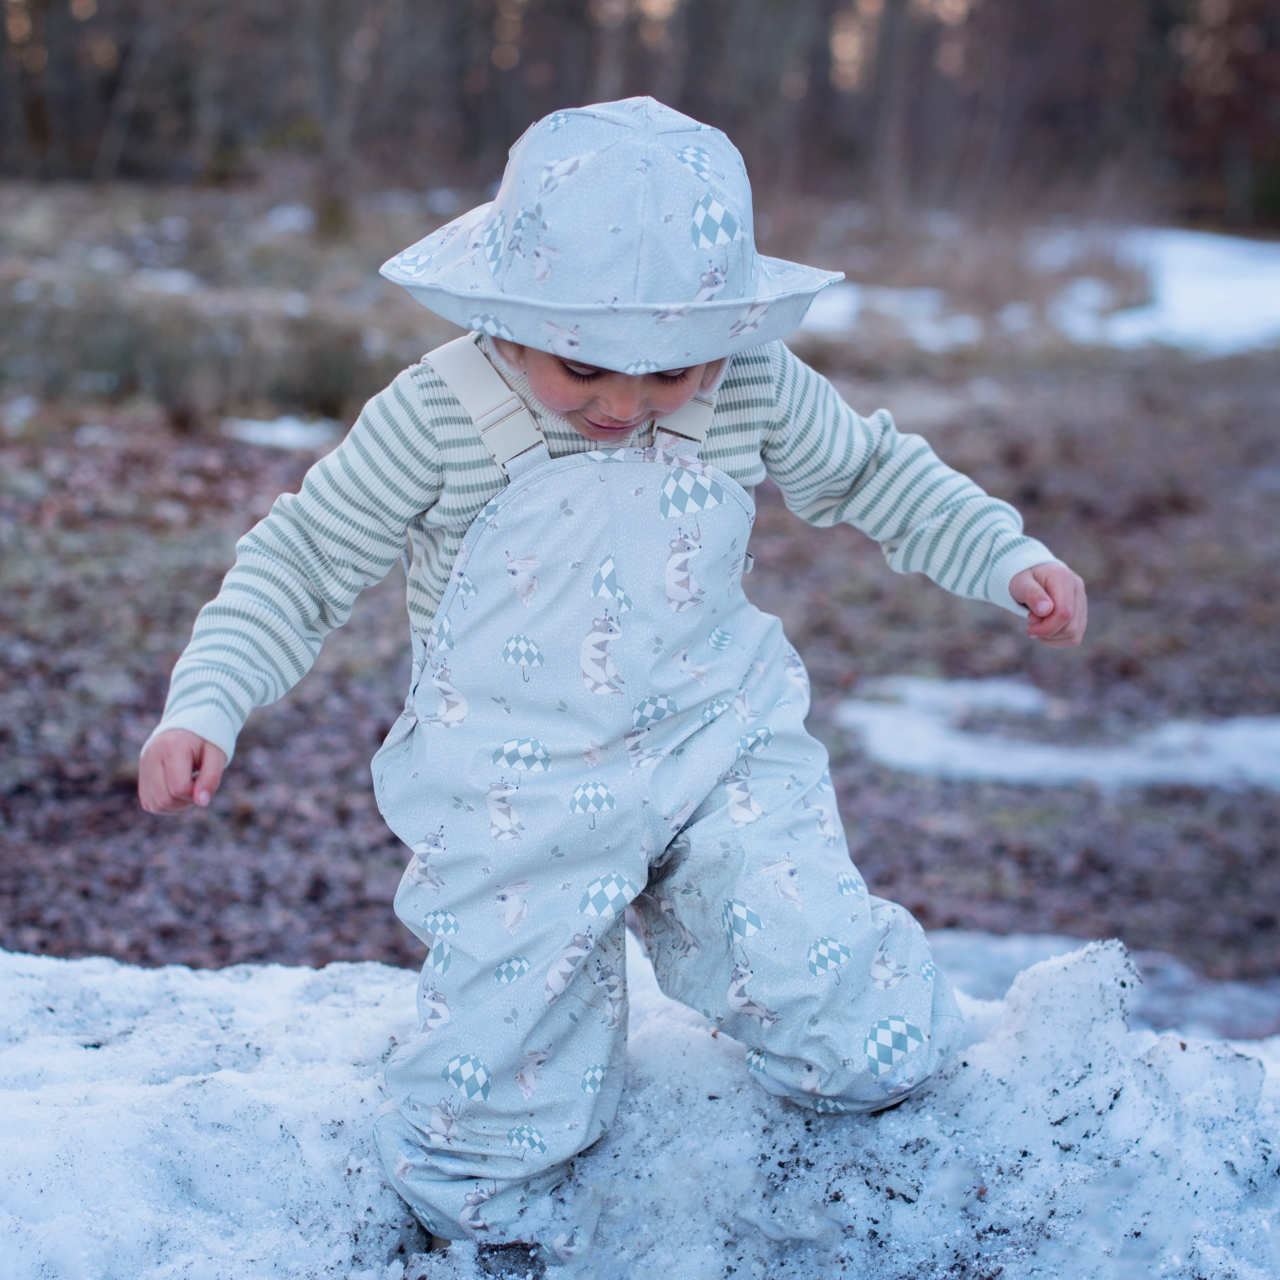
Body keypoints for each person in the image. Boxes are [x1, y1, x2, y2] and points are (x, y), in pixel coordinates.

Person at [138, 98, 1086, 1258]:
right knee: (495, 1110)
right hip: (515, 787)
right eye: (583, 364)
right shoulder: (439, 414)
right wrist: (208, 700)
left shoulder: (752, 382)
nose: (627, 403)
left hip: (714, 743)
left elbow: (874, 474)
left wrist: (1004, 553)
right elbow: (301, 559)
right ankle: (498, 1234)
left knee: (837, 1002)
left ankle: (933, 1180)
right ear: (508, 315)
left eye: (671, 370)